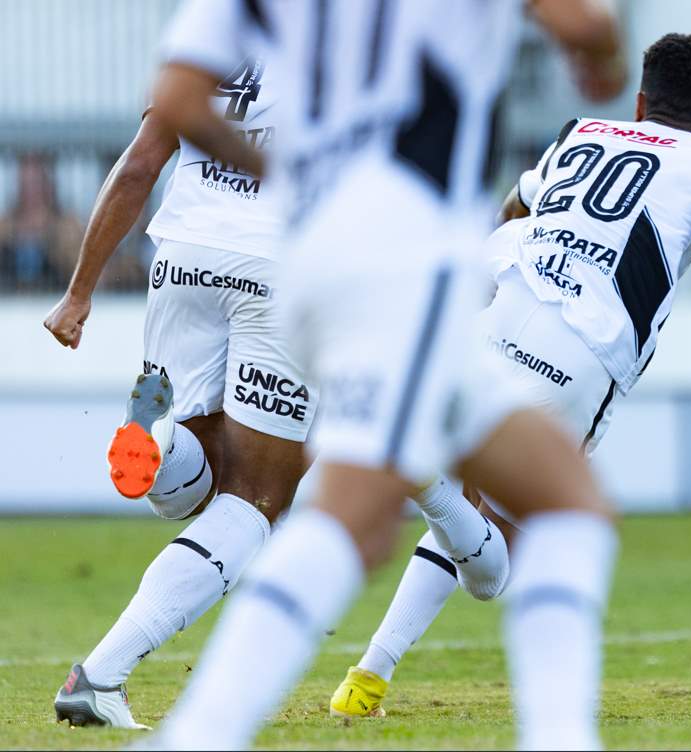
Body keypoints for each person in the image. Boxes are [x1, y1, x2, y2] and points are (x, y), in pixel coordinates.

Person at [330, 32, 691, 718]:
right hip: (581, 349)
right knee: (492, 563)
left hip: (499, 310)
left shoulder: (580, 132)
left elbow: (512, 211)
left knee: (466, 519)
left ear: (639, 99)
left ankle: (368, 675)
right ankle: (423, 490)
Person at [143, 0, 626, 749]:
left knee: (567, 500)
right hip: (406, 248)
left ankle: (563, 736)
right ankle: (196, 735)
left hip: (307, 257)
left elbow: (177, 102)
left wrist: (296, 177)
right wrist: (605, 67)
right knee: (354, 513)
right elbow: (587, 28)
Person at [44, 54, 318, 728]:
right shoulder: (339, 40)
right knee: (257, 497)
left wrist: (78, 294)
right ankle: (100, 675)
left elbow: (138, 166)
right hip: (276, 264)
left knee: (192, 482)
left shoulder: (207, 40)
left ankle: (160, 441)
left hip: (182, 260)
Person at [0, 154, 83, 292]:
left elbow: (83, 272)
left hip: (57, 301)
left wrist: (56, 242)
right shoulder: (5, 226)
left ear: (47, 185)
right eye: (25, 185)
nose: (31, 192)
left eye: (35, 184)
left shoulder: (67, 226)